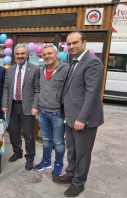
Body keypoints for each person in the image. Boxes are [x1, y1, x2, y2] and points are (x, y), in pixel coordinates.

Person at [53, 31, 104, 197]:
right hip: (70, 117)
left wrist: (82, 118)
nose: (71, 46)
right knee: (72, 150)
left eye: (75, 43)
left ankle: (78, 183)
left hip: (84, 120)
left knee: (82, 153)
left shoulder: (93, 63)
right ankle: (70, 174)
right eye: (68, 44)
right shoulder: (75, 62)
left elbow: (92, 94)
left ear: (84, 43)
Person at [2, 43, 40, 170]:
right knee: (13, 132)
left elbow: (37, 90)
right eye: (17, 54)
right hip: (12, 106)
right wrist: (4, 104)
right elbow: (6, 89)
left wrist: (35, 106)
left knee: (29, 135)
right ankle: (17, 152)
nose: (20, 56)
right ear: (14, 55)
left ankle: (30, 158)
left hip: (28, 107)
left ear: (27, 54)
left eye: (22, 53)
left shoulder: (35, 69)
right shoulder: (10, 70)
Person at [33, 44, 69, 177]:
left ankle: (58, 165)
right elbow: (39, 90)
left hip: (58, 113)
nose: (47, 56)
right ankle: (46, 161)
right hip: (43, 112)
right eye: (44, 54)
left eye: (50, 53)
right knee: (46, 140)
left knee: (58, 142)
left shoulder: (66, 70)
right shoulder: (41, 70)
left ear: (57, 54)